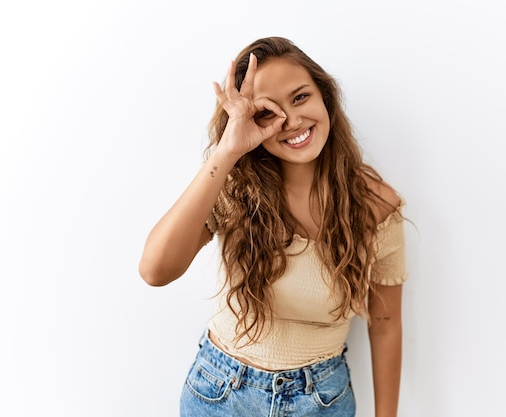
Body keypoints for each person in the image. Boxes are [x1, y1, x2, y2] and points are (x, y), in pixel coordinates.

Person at [139, 36, 407, 417]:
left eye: (300, 98)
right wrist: (228, 151)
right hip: (221, 393)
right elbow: (155, 270)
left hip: (322, 400)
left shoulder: (376, 206)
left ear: (325, 96)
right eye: (268, 112)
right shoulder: (235, 188)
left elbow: (385, 324)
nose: (292, 121)